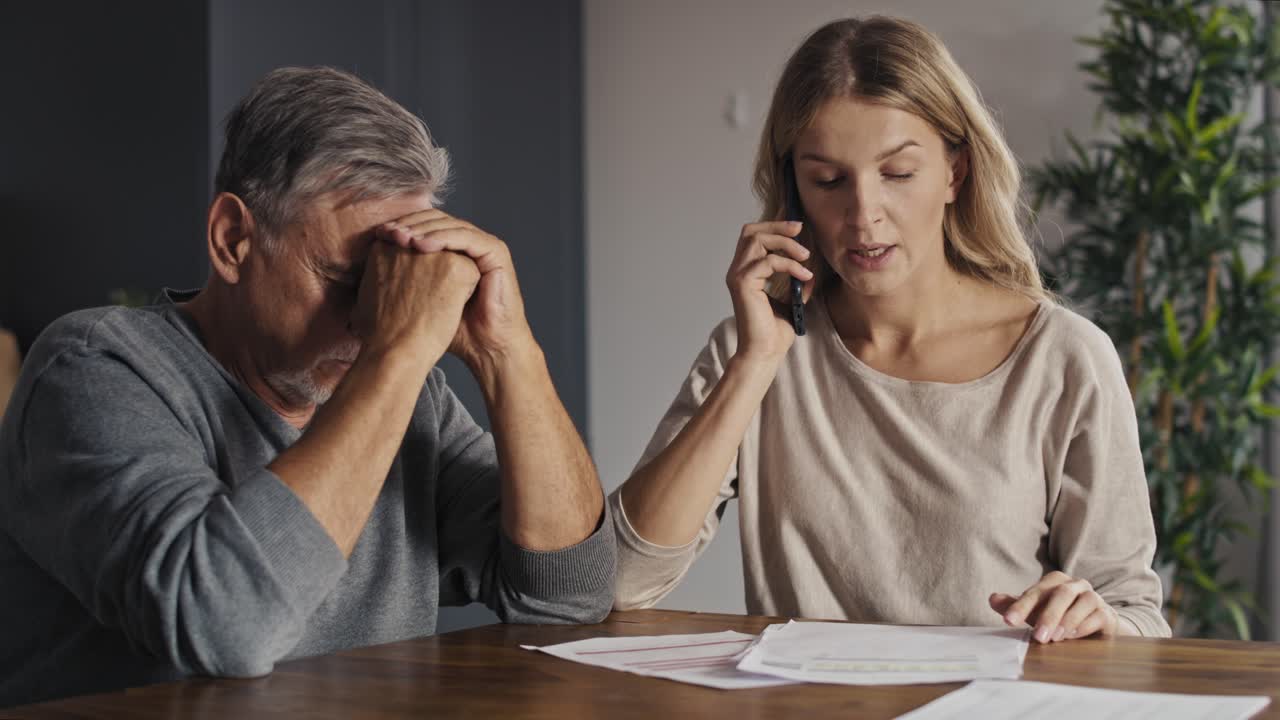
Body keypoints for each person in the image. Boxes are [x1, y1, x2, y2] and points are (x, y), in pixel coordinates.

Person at [0, 66, 614, 707]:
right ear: (233, 239)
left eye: (392, 281)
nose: (372, 315)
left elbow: (568, 594)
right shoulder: (95, 368)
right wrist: (397, 355)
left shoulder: (410, 396)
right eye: (350, 279)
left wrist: (507, 352)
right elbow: (225, 627)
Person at [610, 16, 1170, 643]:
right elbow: (622, 581)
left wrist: (1097, 620)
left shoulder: (1064, 359)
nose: (863, 215)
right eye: (827, 180)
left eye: (897, 174)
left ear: (955, 172)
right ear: (793, 190)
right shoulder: (753, 355)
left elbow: (1138, 618)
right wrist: (753, 366)